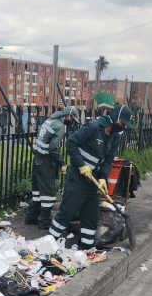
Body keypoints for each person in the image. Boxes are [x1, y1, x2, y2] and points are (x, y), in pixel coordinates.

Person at [48, 103, 132, 249]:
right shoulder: (93, 128)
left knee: (91, 217)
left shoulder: (115, 137)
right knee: (67, 212)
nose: (123, 126)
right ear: (116, 118)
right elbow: (71, 144)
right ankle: (48, 244)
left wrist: (102, 178)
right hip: (78, 179)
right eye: (122, 122)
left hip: (93, 183)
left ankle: (86, 250)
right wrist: (81, 165)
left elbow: (108, 160)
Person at [24, 106, 79, 229]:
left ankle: (31, 217)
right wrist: (62, 162)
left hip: (38, 159)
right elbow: (53, 148)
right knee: (48, 194)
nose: (73, 121)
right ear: (67, 116)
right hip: (46, 163)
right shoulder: (59, 126)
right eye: (73, 118)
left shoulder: (50, 120)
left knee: (37, 192)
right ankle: (45, 222)